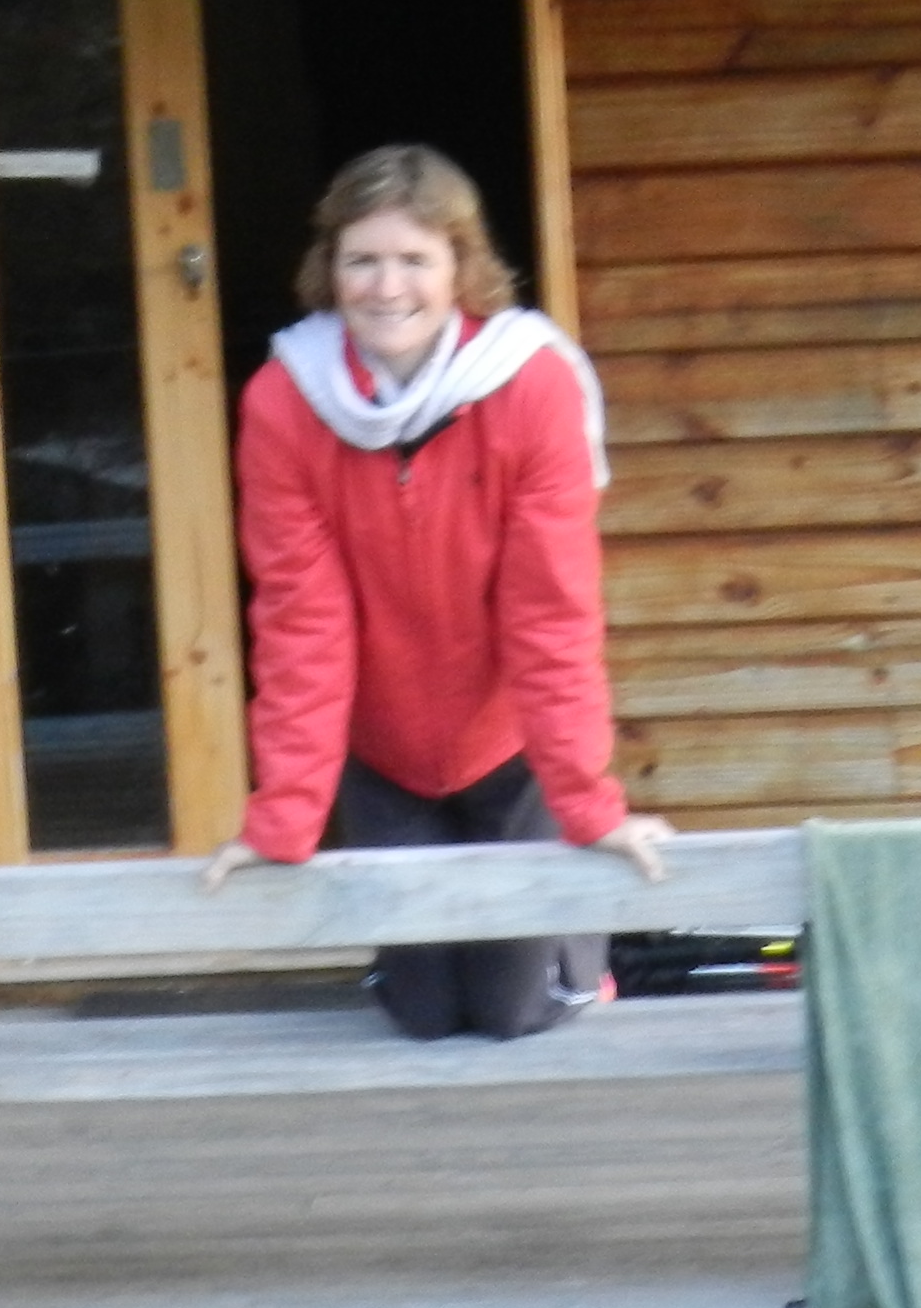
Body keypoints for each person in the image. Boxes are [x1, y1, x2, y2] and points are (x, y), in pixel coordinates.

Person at [201, 142, 672, 1037]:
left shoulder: (534, 385)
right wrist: (284, 819)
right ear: (329, 268)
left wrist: (587, 803)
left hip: (507, 742)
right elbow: (301, 622)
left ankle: (583, 960)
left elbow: (551, 612)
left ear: (461, 266)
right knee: (421, 1017)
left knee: (511, 1010)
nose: (387, 288)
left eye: (415, 259)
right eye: (362, 260)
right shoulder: (282, 399)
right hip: (383, 749)